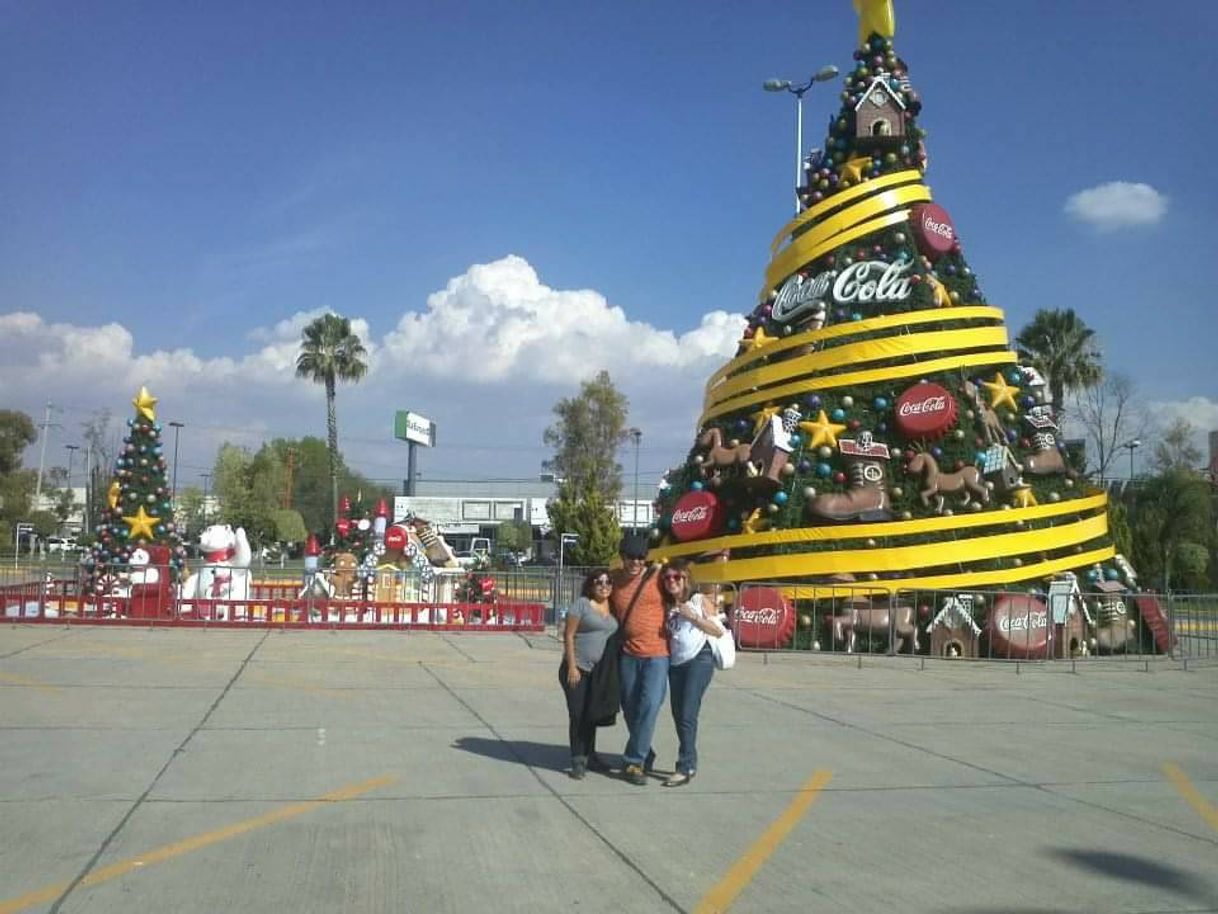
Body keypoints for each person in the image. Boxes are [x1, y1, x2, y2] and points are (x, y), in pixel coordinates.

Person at [660, 558, 725, 787]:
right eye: (667, 578)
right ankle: (690, 759)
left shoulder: (698, 600)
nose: (671, 581)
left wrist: (692, 617)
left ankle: (685, 765)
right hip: (676, 664)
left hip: (700, 658)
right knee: (679, 715)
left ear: (685, 578)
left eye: (676, 577)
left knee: (687, 712)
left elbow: (717, 630)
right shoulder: (666, 606)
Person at [610, 533, 668, 786]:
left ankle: (633, 761)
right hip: (628, 654)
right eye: (631, 557)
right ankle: (646, 750)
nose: (636, 562)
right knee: (631, 708)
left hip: (657, 654)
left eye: (641, 557)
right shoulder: (613, 580)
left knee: (650, 706)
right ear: (622, 557)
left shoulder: (659, 578)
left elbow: (686, 590)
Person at [559, 568, 619, 779]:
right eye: (599, 582)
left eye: (608, 582)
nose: (604, 586)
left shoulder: (614, 607)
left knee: (592, 714)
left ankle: (590, 755)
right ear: (591, 584)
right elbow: (568, 635)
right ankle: (577, 759)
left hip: (599, 672)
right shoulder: (582, 605)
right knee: (577, 714)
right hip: (577, 669)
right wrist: (572, 666)